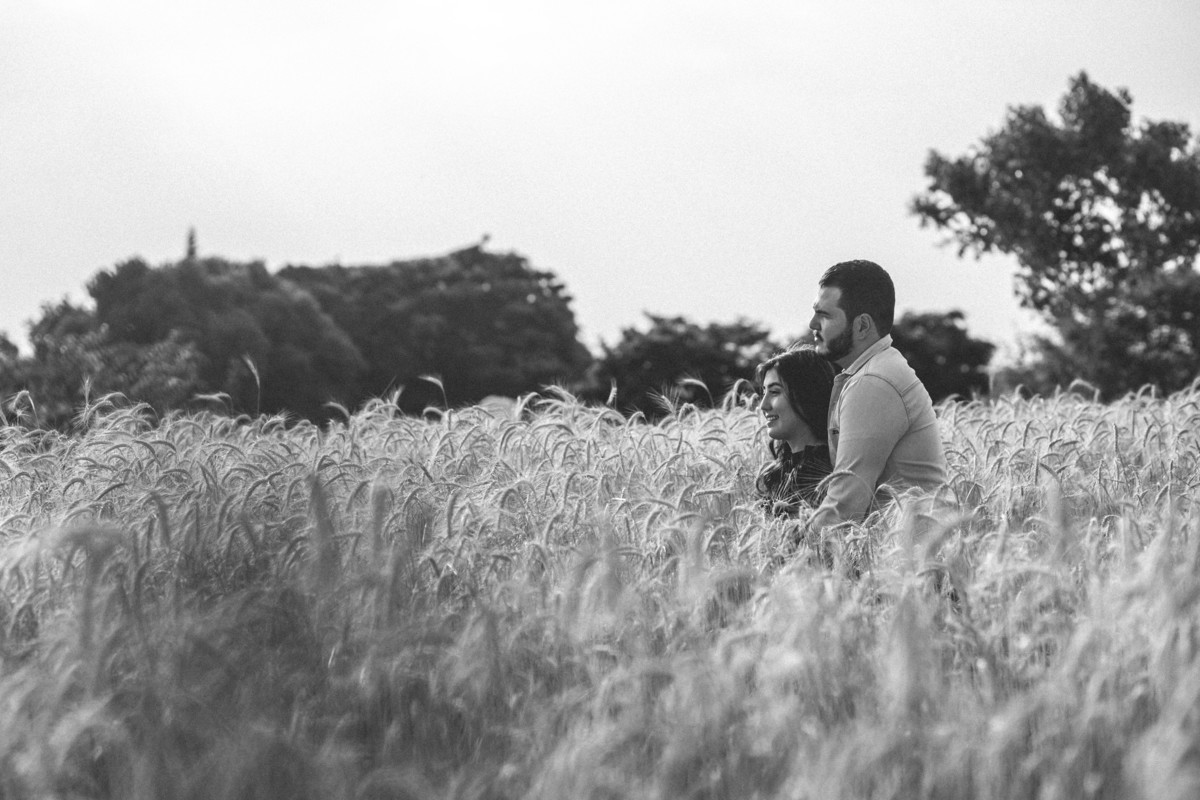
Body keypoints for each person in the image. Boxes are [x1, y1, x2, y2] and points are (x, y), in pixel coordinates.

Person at [806, 259, 947, 533]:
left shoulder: (873, 382)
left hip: (907, 558)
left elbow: (846, 503)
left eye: (825, 315)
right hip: (902, 551)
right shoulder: (875, 370)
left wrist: (787, 554)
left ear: (862, 326)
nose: (812, 323)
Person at [755, 346, 838, 516]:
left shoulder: (824, 476)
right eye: (764, 392)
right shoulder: (777, 472)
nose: (763, 405)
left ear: (806, 395)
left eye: (775, 392)